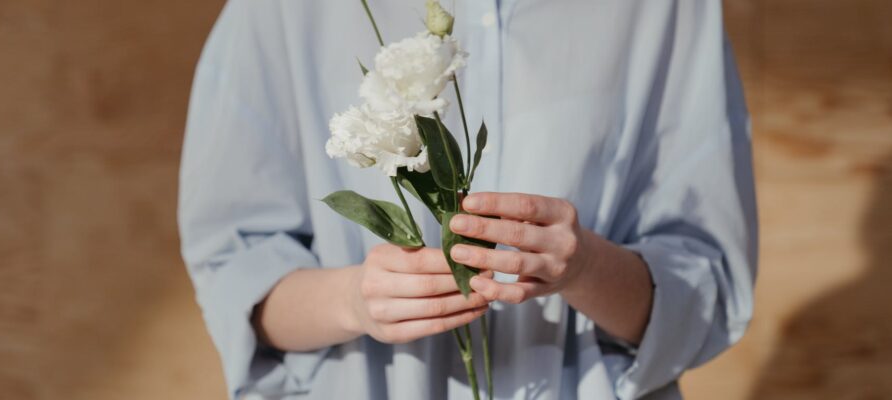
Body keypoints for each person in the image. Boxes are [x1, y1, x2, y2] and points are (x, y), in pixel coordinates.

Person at [177, 0, 758, 399]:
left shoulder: (663, 10)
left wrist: (583, 267)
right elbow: (234, 269)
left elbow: (707, 281)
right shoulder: (283, 11)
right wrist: (353, 302)